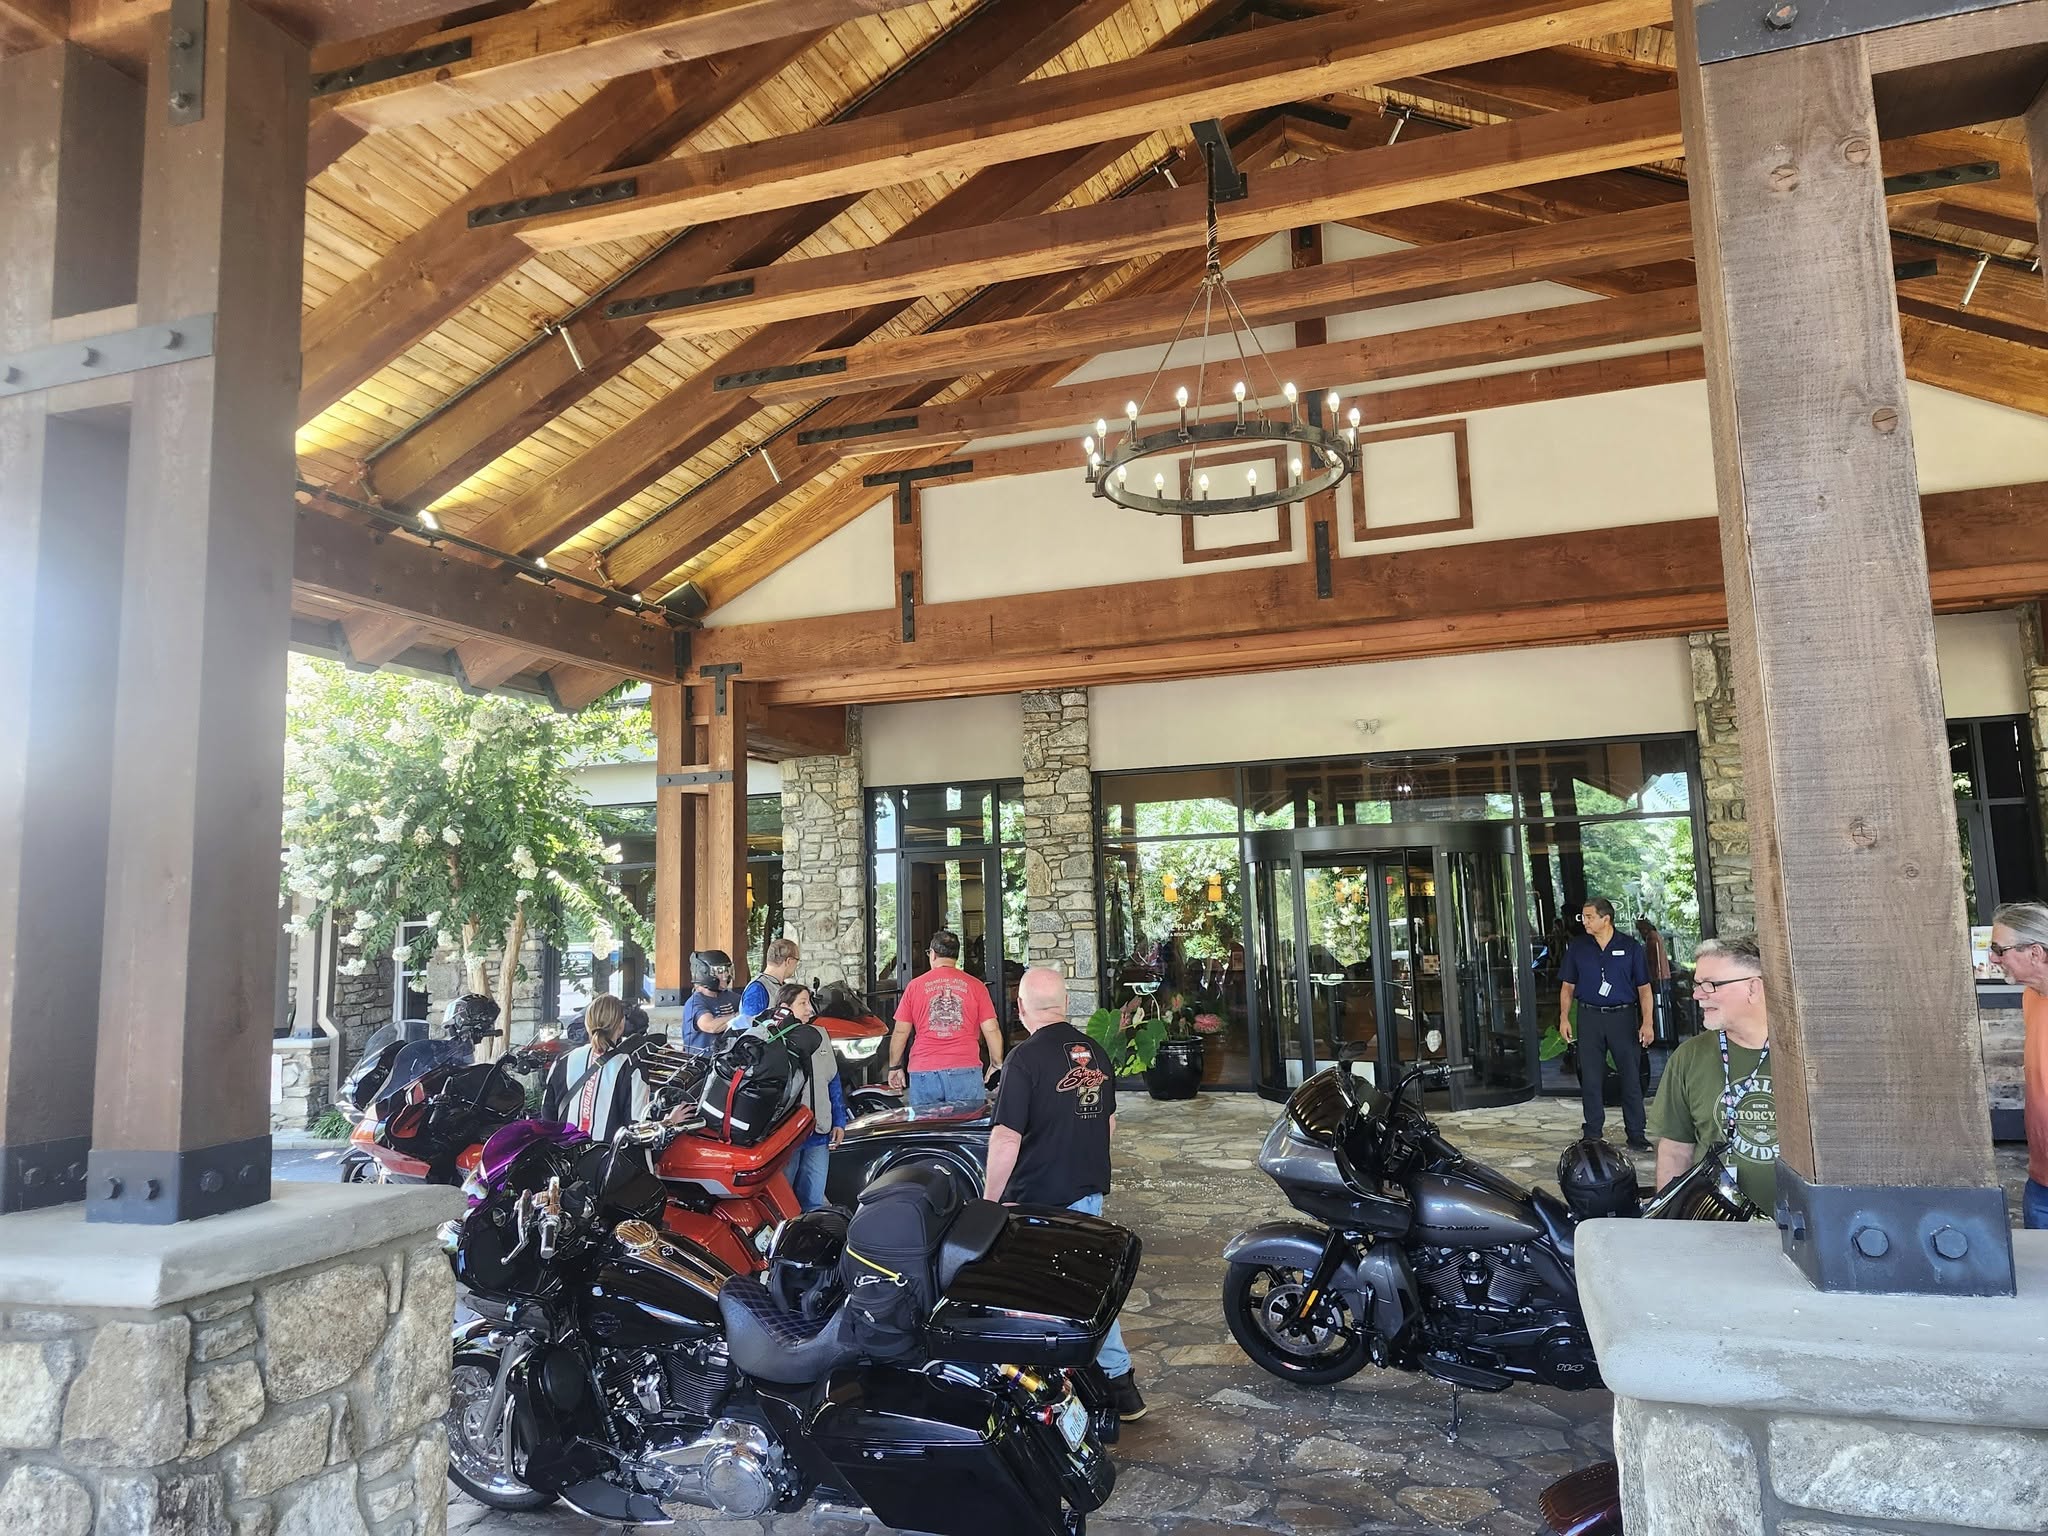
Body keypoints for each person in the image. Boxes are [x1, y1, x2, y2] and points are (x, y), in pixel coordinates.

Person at [983, 966, 1145, 1422]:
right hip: (1087, 1192)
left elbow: (1006, 1137)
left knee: (1030, 1296)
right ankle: (1119, 1386)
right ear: (1066, 1003)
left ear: (1020, 1007)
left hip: (1038, 1200)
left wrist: (989, 1201)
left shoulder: (1023, 1059)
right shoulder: (1095, 1052)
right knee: (1086, 1289)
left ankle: (1045, 1392)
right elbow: (1108, 1123)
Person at [1647, 936, 1777, 1214]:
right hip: (1713, 1226)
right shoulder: (1689, 1056)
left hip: (1804, 1230)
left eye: (1710, 984)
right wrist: (1667, 1222)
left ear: (1753, 987)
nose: (1697, 995)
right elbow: (1675, 1150)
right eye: (1697, 984)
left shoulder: (1803, 1055)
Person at [1559, 898, 1654, 1150]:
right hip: (1589, 1017)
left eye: (1589, 917)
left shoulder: (1630, 947)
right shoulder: (1578, 947)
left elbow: (1644, 989)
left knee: (1630, 1077)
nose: (1584, 921)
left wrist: (1648, 1022)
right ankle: (1592, 1134)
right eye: (1583, 917)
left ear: (1606, 918)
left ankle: (1636, 1134)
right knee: (1591, 1078)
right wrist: (1564, 1017)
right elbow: (1567, 986)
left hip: (1623, 1017)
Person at [747, 981, 848, 1212]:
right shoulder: (769, 1038)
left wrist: (839, 1121)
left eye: (809, 1002)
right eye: (803, 1003)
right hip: (786, 1137)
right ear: (785, 1007)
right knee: (785, 1203)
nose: (810, 1009)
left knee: (814, 1200)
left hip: (819, 1132)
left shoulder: (821, 1035)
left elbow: (833, 1081)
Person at [886, 930, 1004, 1109]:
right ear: (956, 956)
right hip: (965, 1068)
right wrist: (996, 1063)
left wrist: (894, 1067)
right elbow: (991, 1029)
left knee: (927, 1126)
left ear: (932, 954)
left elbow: (901, 1031)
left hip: (924, 1069)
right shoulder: (976, 986)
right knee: (966, 1124)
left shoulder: (914, 987)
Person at [1990, 901, 2048, 1230]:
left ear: (2035, 953)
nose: (1993, 959)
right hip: (2041, 1177)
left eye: (2000, 949)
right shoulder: (2031, 996)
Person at [542, 995, 650, 1141]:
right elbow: (637, 1129)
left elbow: (547, 1118)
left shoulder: (562, 1061)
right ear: (621, 1024)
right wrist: (669, 1121)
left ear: (587, 1023)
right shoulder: (631, 1067)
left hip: (564, 1154)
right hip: (607, 1155)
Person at [680, 950, 742, 1055]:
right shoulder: (695, 1002)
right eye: (720, 971)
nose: (726, 975)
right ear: (705, 973)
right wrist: (740, 1015)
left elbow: (750, 1007)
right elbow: (711, 1026)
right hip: (702, 1061)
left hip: (727, 1058)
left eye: (727, 970)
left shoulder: (730, 996)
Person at [738, 937, 802, 1026]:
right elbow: (749, 1026)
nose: (797, 966)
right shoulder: (757, 989)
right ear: (788, 961)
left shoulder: (779, 985)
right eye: (797, 961)